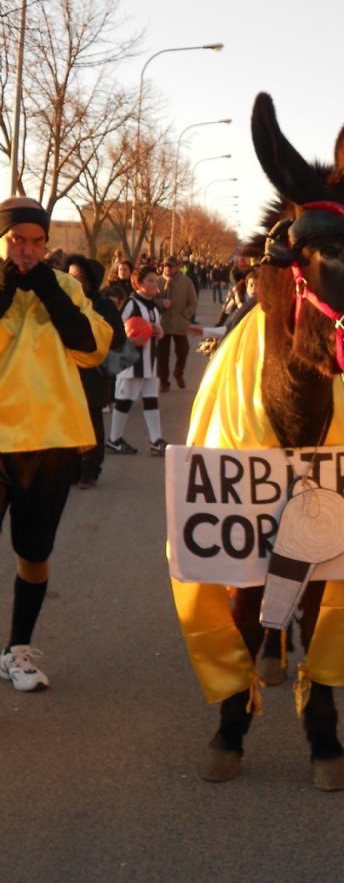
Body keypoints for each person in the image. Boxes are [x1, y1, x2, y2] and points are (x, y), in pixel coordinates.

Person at [0, 197, 112, 691]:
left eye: (36, 241)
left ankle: (17, 651)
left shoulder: (64, 284)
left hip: (52, 441)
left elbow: (92, 350)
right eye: (16, 240)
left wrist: (47, 288)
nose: (27, 250)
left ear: (48, 244)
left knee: (35, 552)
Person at [64, 254, 127, 487]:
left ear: (91, 280)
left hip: (93, 373)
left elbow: (118, 338)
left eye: (79, 276)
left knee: (91, 423)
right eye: (70, 275)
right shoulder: (60, 302)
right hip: (66, 372)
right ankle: (71, 469)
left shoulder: (102, 305)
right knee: (68, 422)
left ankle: (91, 470)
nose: (74, 280)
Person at [106, 263, 167, 456]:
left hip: (150, 363)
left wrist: (159, 332)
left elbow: (157, 330)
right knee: (124, 400)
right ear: (137, 283)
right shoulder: (131, 304)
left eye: (156, 280)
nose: (154, 284)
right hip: (131, 363)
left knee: (151, 400)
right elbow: (115, 328)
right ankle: (114, 439)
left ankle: (156, 440)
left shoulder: (154, 307)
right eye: (149, 281)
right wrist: (129, 338)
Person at [155, 255, 198, 392]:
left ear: (177, 267)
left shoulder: (186, 282)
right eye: (165, 265)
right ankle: (164, 382)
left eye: (170, 266)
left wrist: (185, 316)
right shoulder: (157, 281)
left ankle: (178, 372)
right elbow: (150, 299)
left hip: (180, 323)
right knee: (162, 355)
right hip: (163, 324)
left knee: (183, 351)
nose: (167, 268)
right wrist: (161, 303)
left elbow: (193, 302)